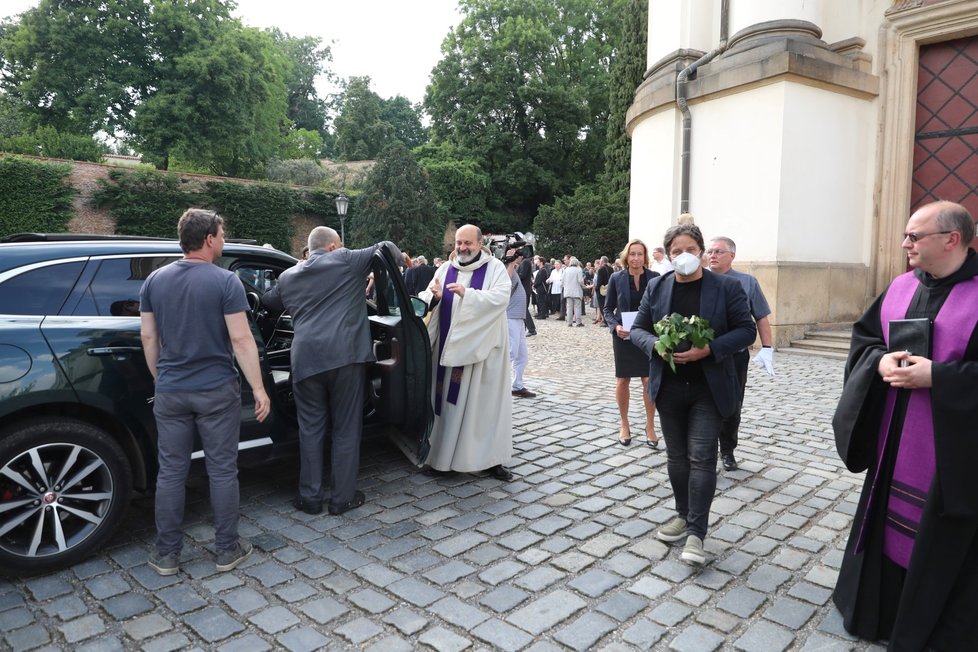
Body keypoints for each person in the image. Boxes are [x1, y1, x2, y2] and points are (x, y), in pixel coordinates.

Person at [831, 200, 978, 650]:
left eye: (915, 236)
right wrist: (879, 363)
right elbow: (866, 341)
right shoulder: (899, 286)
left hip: (955, 459)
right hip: (895, 444)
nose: (904, 244)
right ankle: (877, 612)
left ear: (952, 239)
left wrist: (940, 376)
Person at [140, 208, 270, 575]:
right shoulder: (225, 281)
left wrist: (160, 377)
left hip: (171, 389)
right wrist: (259, 388)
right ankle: (227, 550)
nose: (224, 240)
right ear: (209, 239)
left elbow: (148, 336)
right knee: (222, 470)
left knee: (170, 472)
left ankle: (167, 555)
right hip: (215, 390)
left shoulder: (154, 281)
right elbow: (241, 339)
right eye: (223, 234)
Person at [630, 224, 755, 566]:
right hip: (669, 387)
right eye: (675, 251)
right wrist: (655, 345)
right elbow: (638, 329)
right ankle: (683, 514)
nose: (682, 255)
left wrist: (710, 350)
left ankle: (697, 533)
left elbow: (747, 330)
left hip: (708, 387)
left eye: (689, 248)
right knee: (677, 456)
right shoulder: (657, 286)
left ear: (700, 250)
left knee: (702, 456)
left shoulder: (726, 287)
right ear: (668, 254)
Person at [261, 226, 401, 516]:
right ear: (335, 246)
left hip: (305, 360)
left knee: (310, 430)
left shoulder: (288, 275)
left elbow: (268, 302)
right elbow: (386, 246)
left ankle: (310, 497)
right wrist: (405, 262)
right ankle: (342, 498)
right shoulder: (346, 259)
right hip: (345, 358)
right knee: (346, 429)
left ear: (309, 248)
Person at [418, 224, 515, 481]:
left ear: (480, 243)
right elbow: (427, 295)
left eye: (467, 243)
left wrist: (468, 296)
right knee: (445, 405)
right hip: (447, 352)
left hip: (480, 355)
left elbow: (501, 298)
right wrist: (435, 298)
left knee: (483, 408)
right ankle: (439, 458)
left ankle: (491, 460)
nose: (462, 248)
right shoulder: (445, 268)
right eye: (458, 243)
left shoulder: (494, 269)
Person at [706, 236, 775, 471]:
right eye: (710, 251)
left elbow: (761, 316)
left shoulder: (747, 282)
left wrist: (767, 349)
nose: (712, 255)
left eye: (718, 252)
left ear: (732, 255)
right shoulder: (699, 279)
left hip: (734, 356)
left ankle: (727, 450)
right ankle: (703, 448)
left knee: (732, 404)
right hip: (703, 354)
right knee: (703, 402)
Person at [603, 240, 660, 448]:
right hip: (623, 335)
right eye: (633, 254)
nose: (636, 258)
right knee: (622, 380)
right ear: (627, 256)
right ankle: (624, 424)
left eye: (640, 254)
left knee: (648, 379)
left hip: (647, 335)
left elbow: (660, 307)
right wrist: (615, 327)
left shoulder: (655, 278)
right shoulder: (616, 278)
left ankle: (650, 425)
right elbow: (608, 308)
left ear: (645, 257)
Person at [507, 249, 536, 398]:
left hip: (518, 317)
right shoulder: (505, 268)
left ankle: (517, 385)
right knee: (510, 353)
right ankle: (501, 385)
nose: (520, 256)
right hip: (510, 316)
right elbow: (505, 281)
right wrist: (510, 261)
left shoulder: (515, 269)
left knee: (522, 356)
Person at [516, 254, 537, 336]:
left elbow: (522, 275)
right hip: (524, 289)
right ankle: (525, 328)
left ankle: (531, 329)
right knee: (523, 309)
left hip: (524, 290)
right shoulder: (524, 263)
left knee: (524, 310)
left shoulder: (525, 262)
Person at [562, 257, 586, 327]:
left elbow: (562, 280)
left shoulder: (566, 269)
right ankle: (578, 322)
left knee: (569, 307)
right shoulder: (579, 270)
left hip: (568, 291)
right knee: (578, 307)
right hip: (576, 291)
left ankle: (569, 322)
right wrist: (583, 286)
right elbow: (580, 281)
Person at [594, 256, 611, 325]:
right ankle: (607, 320)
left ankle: (606, 321)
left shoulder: (601, 270)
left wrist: (596, 288)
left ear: (602, 261)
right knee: (607, 305)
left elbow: (599, 282)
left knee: (602, 306)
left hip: (601, 290)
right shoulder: (611, 269)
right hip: (608, 289)